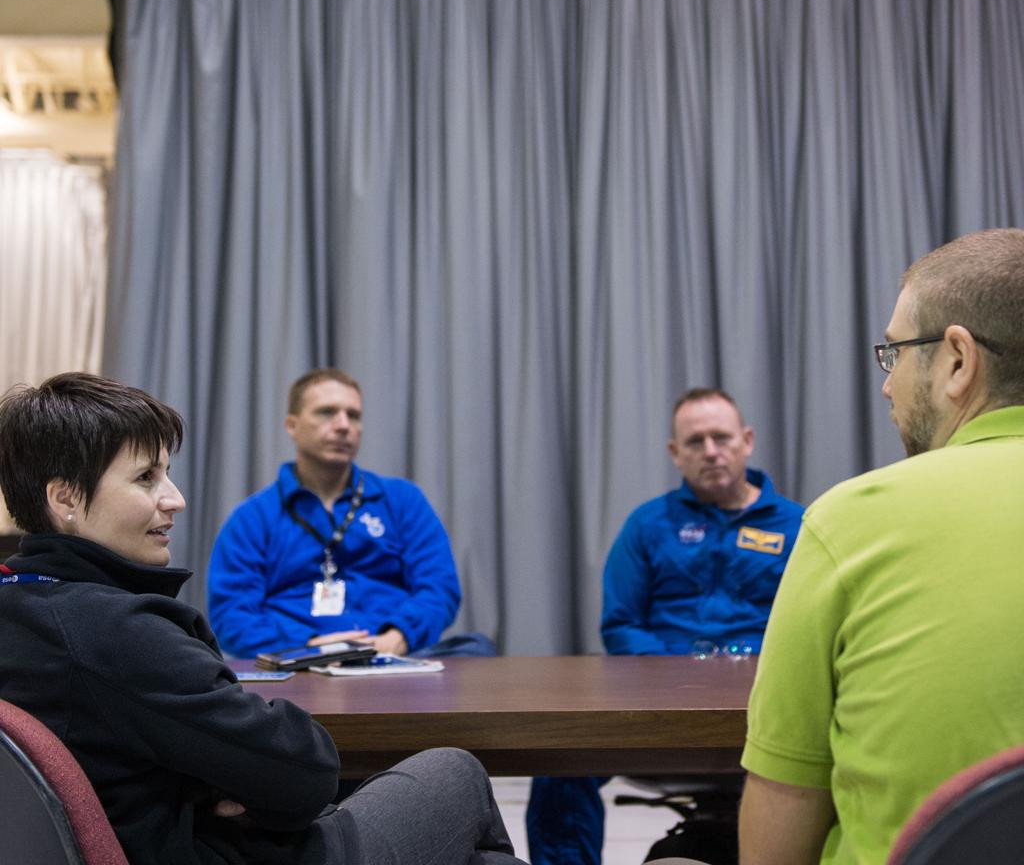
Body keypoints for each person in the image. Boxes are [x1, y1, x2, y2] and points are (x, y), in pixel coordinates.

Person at [0, 372, 527, 865]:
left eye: (168, 473)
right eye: (145, 477)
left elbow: (438, 588)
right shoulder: (122, 631)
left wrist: (395, 636)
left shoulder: (24, 604)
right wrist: (306, 657)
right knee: (455, 771)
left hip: (178, 831)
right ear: (64, 497)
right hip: (232, 849)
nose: (176, 500)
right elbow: (306, 772)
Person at [739, 228, 1024, 865]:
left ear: (957, 359)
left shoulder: (851, 522)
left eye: (895, 353)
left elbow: (782, 818)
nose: (887, 385)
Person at [528, 388, 804, 865]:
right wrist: (676, 676)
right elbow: (621, 625)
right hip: (658, 702)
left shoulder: (798, 524)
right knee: (561, 760)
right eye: (695, 442)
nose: (711, 451)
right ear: (675, 453)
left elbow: (810, 627)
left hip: (767, 701)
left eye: (721, 437)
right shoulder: (648, 524)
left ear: (747, 440)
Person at [208, 369, 490, 659]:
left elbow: (439, 588)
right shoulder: (252, 518)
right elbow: (231, 614)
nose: (343, 425)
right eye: (327, 412)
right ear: (292, 426)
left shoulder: (403, 500)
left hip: (392, 656)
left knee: (476, 650)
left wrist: (399, 637)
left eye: (353, 415)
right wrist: (310, 646)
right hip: (297, 661)